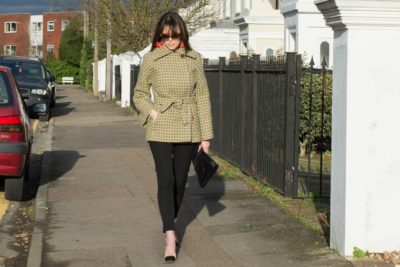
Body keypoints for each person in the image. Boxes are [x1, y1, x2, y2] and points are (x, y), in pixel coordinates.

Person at [133, 12, 213, 263]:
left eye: (175, 35)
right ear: (159, 35)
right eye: (165, 36)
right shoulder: (151, 59)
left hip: (189, 126)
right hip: (161, 125)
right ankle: (170, 234)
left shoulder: (194, 59)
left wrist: (206, 136)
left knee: (179, 182)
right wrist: (153, 113)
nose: (170, 40)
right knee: (165, 180)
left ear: (182, 34)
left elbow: (202, 97)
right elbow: (139, 94)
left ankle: (170, 221)